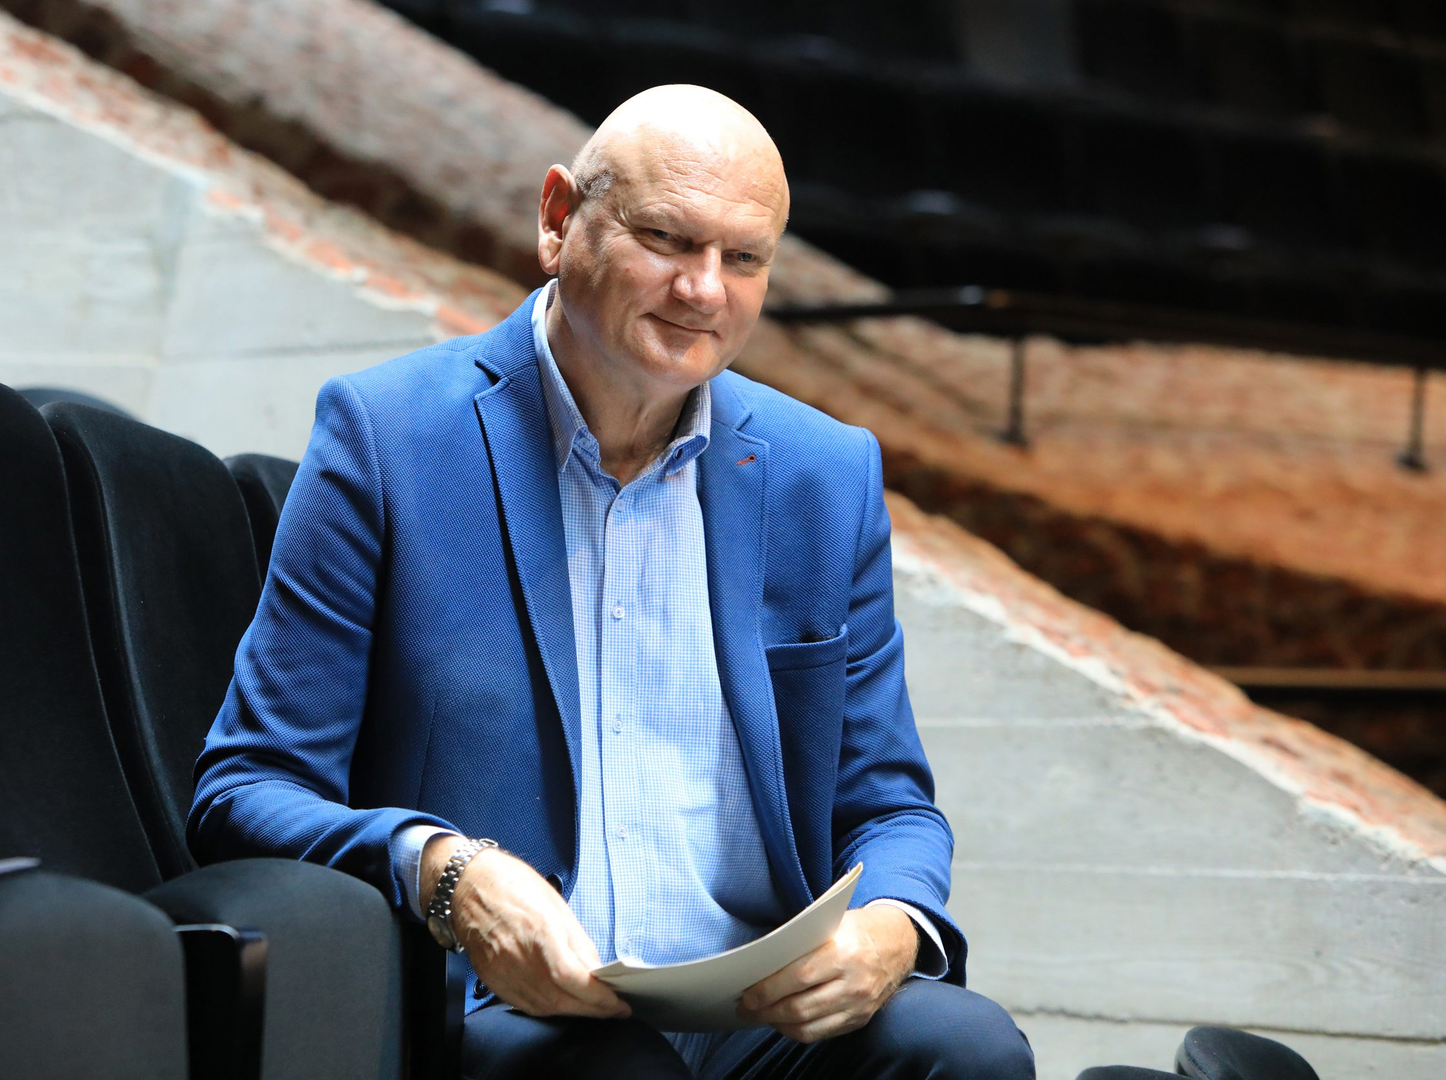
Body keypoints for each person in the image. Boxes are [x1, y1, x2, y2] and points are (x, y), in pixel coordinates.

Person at [189, 84, 1034, 1079]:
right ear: (558, 219)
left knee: (967, 1049)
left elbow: (889, 807)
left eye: (744, 258)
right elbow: (245, 788)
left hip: (760, 1019)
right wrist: (447, 872)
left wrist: (890, 927)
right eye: (667, 239)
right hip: (508, 1013)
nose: (704, 290)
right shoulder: (389, 438)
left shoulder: (825, 475)